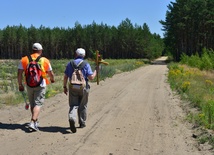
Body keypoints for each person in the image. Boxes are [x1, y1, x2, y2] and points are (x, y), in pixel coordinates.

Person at [17, 43, 55, 131]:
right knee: (38, 103)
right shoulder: (44, 60)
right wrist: (52, 79)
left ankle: (35, 121)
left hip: (29, 84)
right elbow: (50, 73)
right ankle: (33, 122)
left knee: (33, 103)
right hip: (41, 84)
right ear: (40, 51)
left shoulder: (24, 59)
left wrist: (20, 84)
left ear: (32, 50)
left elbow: (19, 73)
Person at [63, 48, 97, 133]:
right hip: (83, 87)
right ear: (84, 55)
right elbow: (91, 77)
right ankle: (82, 123)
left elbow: (65, 77)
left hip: (72, 86)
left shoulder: (70, 63)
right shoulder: (86, 64)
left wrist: (64, 87)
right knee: (83, 105)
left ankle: (72, 117)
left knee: (73, 105)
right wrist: (96, 71)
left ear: (75, 54)